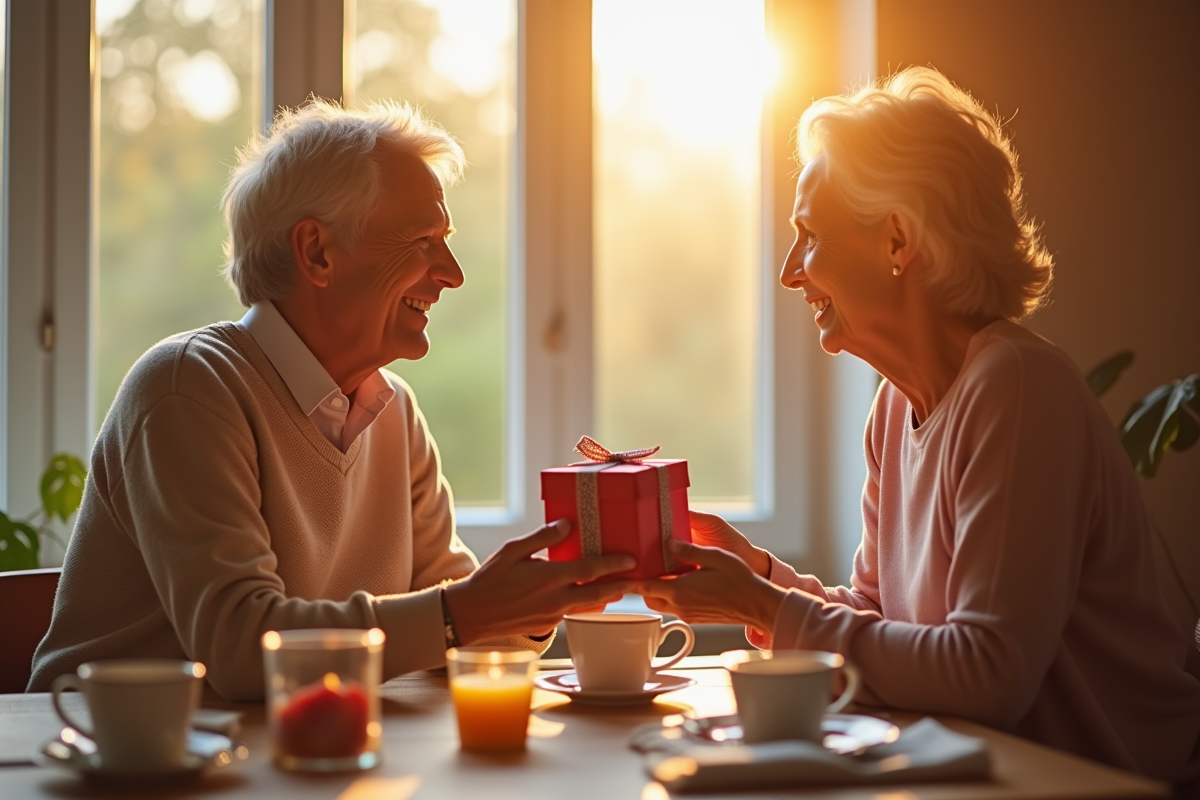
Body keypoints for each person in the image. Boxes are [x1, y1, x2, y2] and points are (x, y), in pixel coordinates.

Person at [635, 67, 1200, 782]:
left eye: (808, 235)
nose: (788, 271)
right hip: (992, 777)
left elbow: (986, 674)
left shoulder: (1017, 388)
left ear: (897, 240)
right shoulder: (895, 406)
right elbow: (880, 617)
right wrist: (759, 574)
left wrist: (761, 604)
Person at [29, 100, 633, 700]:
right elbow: (242, 649)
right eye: (423, 240)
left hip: (297, 750)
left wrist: (542, 599)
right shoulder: (189, 388)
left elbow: (456, 628)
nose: (452, 273)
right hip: (115, 766)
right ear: (317, 252)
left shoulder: (394, 410)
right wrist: (463, 613)